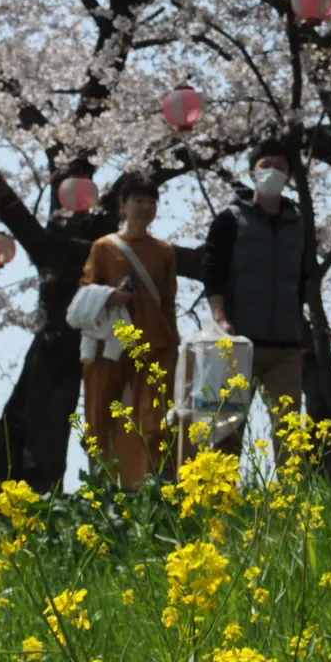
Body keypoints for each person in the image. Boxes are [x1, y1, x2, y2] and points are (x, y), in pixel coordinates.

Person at [201, 138, 314, 456]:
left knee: (290, 434)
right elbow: (213, 270)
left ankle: (290, 502)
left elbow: (302, 281)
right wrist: (220, 317)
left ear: (289, 177)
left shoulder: (298, 226)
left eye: (281, 168)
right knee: (227, 430)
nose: (273, 173)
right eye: (266, 166)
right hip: (239, 342)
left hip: (285, 347)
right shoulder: (230, 219)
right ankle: (221, 501)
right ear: (252, 173)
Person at [79, 172, 181, 489]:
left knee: (156, 420)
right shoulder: (104, 248)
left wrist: (173, 344)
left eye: (152, 202)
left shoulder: (164, 251)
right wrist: (112, 295)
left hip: (155, 343)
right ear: (123, 205)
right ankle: (105, 488)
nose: (146, 207)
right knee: (101, 418)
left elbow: (168, 300)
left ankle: (152, 486)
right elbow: (87, 291)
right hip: (111, 345)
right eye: (138, 200)